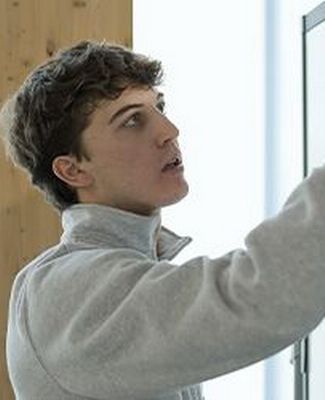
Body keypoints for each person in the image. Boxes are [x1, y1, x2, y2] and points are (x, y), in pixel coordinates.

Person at [1, 40, 325, 400]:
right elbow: (262, 295)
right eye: (132, 120)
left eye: (160, 107)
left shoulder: (129, 270)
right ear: (73, 169)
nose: (169, 129)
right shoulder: (61, 292)